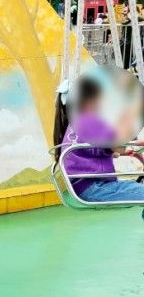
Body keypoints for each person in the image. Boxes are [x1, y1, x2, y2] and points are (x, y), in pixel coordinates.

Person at [55, 74, 144, 208]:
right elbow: (119, 145)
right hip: (95, 187)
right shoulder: (93, 120)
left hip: (82, 186)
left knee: (135, 188)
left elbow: (98, 148)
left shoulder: (76, 122)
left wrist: (120, 151)